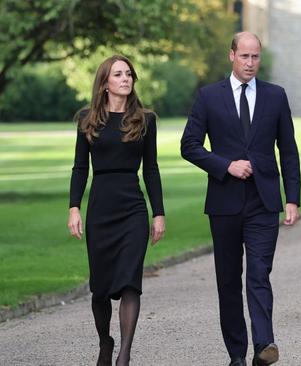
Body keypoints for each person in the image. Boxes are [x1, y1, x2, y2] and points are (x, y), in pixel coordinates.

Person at [180, 32, 300, 366]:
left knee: (259, 274)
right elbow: (189, 145)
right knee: (229, 281)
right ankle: (237, 355)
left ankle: (264, 344)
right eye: (244, 56)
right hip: (224, 202)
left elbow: (288, 151)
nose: (250, 63)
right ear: (232, 55)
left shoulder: (276, 97)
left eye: (255, 57)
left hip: (264, 202)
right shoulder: (208, 97)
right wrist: (225, 165)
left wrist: (293, 199)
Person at [67, 55, 165, 366]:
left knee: (129, 282)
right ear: (105, 82)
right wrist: (73, 208)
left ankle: (124, 355)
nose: (125, 79)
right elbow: (80, 167)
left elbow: (151, 169)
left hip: (133, 208)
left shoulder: (145, 120)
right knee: (100, 289)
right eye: (118, 74)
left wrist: (158, 213)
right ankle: (105, 342)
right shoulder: (87, 119)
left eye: (129, 74)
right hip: (100, 207)